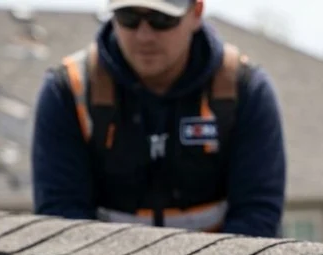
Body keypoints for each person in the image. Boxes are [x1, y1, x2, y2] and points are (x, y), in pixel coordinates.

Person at [32, 0, 286, 236]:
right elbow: (62, 219)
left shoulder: (244, 89)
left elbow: (258, 215)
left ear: (196, 12)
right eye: (128, 17)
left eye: (162, 19)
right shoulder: (68, 90)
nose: (144, 36)